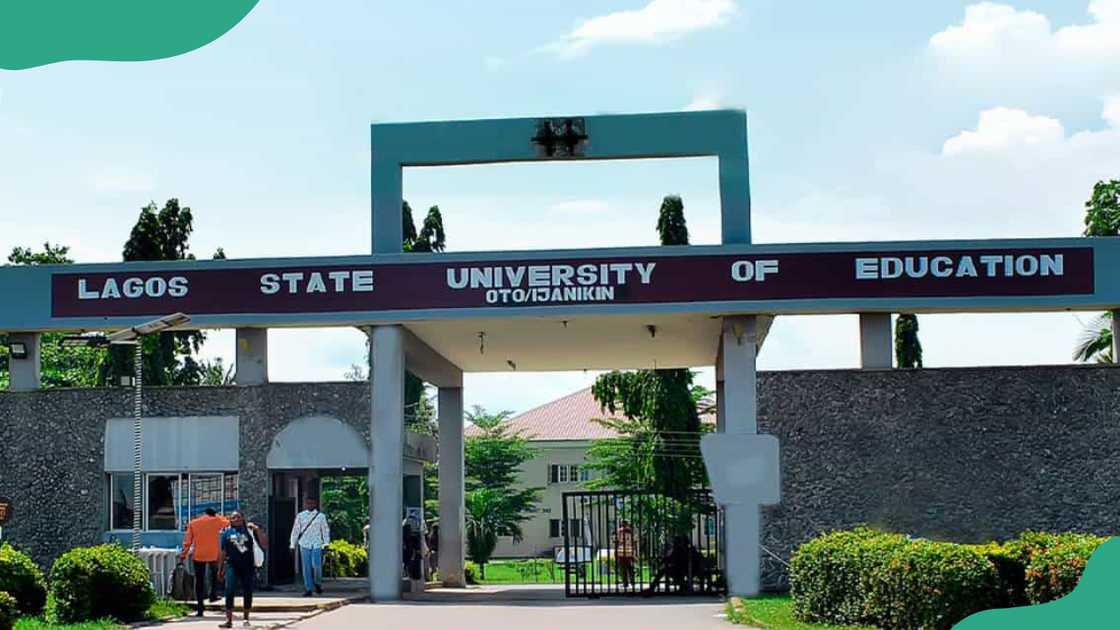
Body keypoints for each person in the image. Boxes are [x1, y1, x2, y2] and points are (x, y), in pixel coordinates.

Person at [216, 511, 267, 629]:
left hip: (248, 566)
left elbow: (264, 544)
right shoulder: (227, 533)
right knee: (229, 591)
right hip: (232, 565)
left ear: (243, 518)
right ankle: (228, 620)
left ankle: (246, 618)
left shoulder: (249, 531)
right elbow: (223, 552)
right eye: (234, 517)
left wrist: (258, 530)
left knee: (247, 591)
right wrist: (220, 568)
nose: (237, 519)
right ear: (230, 520)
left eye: (239, 517)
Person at [179, 507, 229, 617]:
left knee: (199, 580)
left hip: (199, 554)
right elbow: (227, 522)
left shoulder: (194, 523)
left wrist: (183, 554)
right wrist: (217, 516)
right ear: (213, 514)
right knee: (214, 574)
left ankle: (200, 608)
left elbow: (188, 541)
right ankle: (212, 595)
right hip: (213, 554)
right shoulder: (216, 521)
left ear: (203, 513)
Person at [289, 497, 330, 597]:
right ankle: (308, 588)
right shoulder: (300, 516)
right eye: (308, 503)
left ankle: (318, 583)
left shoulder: (321, 516)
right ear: (305, 504)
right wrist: (292, 544)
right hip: (304, 543)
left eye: (311, 503)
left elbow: (325, 530)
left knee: (316, 565)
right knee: (306, 567)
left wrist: (326, 543)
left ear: (315, 504)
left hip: (317, 543)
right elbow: (295, 530)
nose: (309, 505)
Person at [614, 520, 637, 588]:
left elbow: (616, 541)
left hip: (621, 552)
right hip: (629, 552)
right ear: (627, 524)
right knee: (630, 567)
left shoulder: (619, 531)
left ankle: (625, 583)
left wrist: (616, 550)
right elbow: (634, 541)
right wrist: (634, 551)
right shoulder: (631, 531)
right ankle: (632, 581)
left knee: (623, 568)